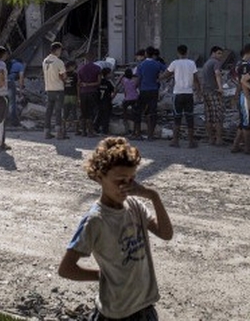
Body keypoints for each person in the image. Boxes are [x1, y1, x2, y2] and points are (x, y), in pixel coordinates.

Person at [58, 136, 173, 321]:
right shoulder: (95, 221)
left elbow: (166, 234)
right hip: (116, 313)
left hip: (145, 308)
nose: (126, 186)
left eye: (131, 179)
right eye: (120, 180)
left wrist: (153, 196)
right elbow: (66, 268)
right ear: (99, 176)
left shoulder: (134, 205)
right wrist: (101, 276)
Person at [163, 44, 200, 148]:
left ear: (178, 53)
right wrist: (199, 91)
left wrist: (159, 78)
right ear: (187, 52)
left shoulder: (174, 63)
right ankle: (191, 142)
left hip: (177, 94)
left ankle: (175, 141)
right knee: (189, 118)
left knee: (177, 118)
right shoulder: (192, 63)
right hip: (189, 94)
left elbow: (167, 74)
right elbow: (196, 78)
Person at [133, 47, 166, 140]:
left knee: (138, 111)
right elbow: (168, 71)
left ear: (146, 54)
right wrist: (159, 79)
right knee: (152, 112)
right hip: (154, 90)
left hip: (143, 90)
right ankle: (150, 135)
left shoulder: (141, 65)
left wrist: (134, 88)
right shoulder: (157, 64)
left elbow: (139, 78)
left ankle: (138, 134)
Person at [232, 44, 250, 154]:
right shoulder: (246, 66)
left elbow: (239, 83)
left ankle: (235, 145)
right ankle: (247, 147)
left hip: (243, 95)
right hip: (247, 95)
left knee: (243, 122)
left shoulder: (240, 64)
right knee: (247, 123)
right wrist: (248, 99)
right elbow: (243, 83)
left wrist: (236, 95)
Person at [200, 46, 225, 146]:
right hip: (214, 92)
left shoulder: (206, 63)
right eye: (219, 53)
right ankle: (218, 140)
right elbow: (217, 74)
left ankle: (211, 139)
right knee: (218, 116)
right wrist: (220, 88)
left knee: (209, 116)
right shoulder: (215, 63)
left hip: (206, 92)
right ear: (213, 53)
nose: (220, 55)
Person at [43, 42, 68, 139]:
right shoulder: (59, 62)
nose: (61, 52)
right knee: (58, 111)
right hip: (58, 89)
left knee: (48, 111)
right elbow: (64, 76)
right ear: (57, 50)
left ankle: (46, 131)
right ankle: (59, 133)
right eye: (60, 50)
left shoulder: (45, 61)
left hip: (49, 89)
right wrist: (64, 80)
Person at [78, 51, 102, 137]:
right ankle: (90, 131)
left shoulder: (81, 68)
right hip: (92, 92)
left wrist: (79, 96)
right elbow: (99, 82)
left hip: (83, 92)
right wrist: (89, 84)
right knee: (91, 112)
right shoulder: (97, 68)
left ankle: (83, 131)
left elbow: (79, 83)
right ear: (93, 58)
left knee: (84, 112)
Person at [118, 68, 139, 136]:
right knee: (135, 115)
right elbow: (137, 85)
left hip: (127, 99)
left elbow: (119, 80)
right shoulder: (134, 81)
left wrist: (123, 75)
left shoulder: (124, 80)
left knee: (124, 113)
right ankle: (134, 132)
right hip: (135, 98)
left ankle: (126, 127)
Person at [7, 57, 26, 127]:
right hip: (10, 82)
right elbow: (21, 79)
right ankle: (13, 122)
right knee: (12, 103)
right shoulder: (20, 65)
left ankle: (5, 120)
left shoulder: (9, 63)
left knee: (6, 101)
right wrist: (21, 91)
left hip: (3, 83)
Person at [96, 68, 115, 134]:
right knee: (106, 116)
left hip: (100, 101)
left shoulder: (100, 82)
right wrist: (112, 97)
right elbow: (114, 90)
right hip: (107, 101)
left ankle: (96, 127)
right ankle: (105, 130)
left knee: (100, 115)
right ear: (107, 74)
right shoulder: (108, 82)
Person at [63, 61, 80, 135]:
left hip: (65, 96)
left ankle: (63, 129)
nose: (75, 68)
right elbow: (77, 86)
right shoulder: (75, 75)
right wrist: (79, 97)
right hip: (73, 95)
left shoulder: (63, 75)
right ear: (70, 66)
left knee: (65, 113)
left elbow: (62, 85)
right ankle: (77, 130)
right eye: (74, 66)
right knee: (74, 112)